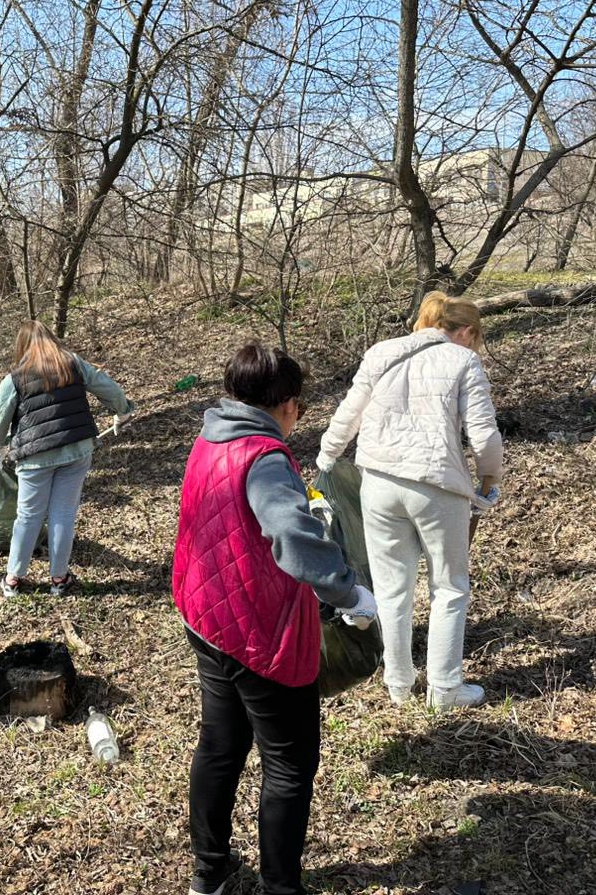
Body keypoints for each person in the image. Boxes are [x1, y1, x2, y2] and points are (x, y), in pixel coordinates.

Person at [172, 343, 375, 895]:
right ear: (286, 404)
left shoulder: (210, 436)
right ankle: (281, 888)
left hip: (206, 613)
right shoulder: (263, 456)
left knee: (221, 745)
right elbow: (291, 536)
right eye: (299, 408)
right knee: (289, 763)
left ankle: (209, 873)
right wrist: (348, 593)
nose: (297, 417)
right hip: (257, 630)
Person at [318, 291, 503, 712]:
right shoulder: (463, 361)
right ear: (466, 331)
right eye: (476, 338)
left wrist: (327, 456)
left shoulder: (381, 352)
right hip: (436, 484)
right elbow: (484, 434)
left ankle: (399, 683)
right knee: (449, 587)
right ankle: (445, 689)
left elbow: (349, 412)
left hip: (378, 481)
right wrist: (489, 478)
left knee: (390, 588)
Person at [0, 320, 133, 597]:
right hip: (76, 449)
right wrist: (122, 411)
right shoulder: (73, 364)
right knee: (63, 513)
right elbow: (107, 387)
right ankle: (59, 578)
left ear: (22, 346)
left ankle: (13, 579)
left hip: (35, 456)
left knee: (28, 516)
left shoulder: (15, 378)